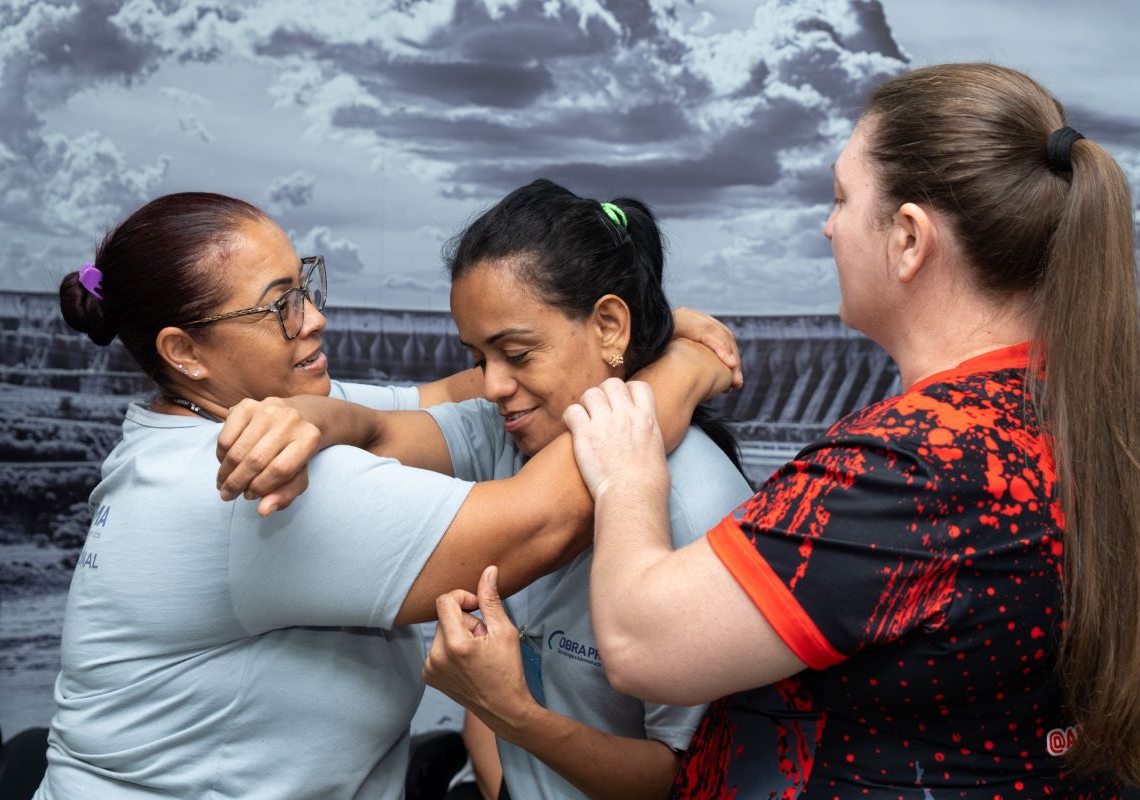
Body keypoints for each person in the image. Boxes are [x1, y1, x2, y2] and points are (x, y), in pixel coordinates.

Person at [561, 63, 1140, 797]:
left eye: (840, 197)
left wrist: (626, 473)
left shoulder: (921, 463)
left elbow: (642, 643)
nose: (828, 225)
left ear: (907, 239)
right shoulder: (1071, 413)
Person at [37, 191, 734, 800]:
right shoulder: (248, 482)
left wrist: (640, 336)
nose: (313, 318)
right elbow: (545, 520)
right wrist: (684, 365)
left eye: (305, 284)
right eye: (280, 305)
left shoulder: (265, 411)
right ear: (185, 354)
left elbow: (449, 395)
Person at [417, 180, 754, 800]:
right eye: (477, 357)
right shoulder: (512, 438)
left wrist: (512, 712)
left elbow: (684, 777)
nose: (491, 387)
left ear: (608, 325)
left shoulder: (698, 511)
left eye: (516, 352)